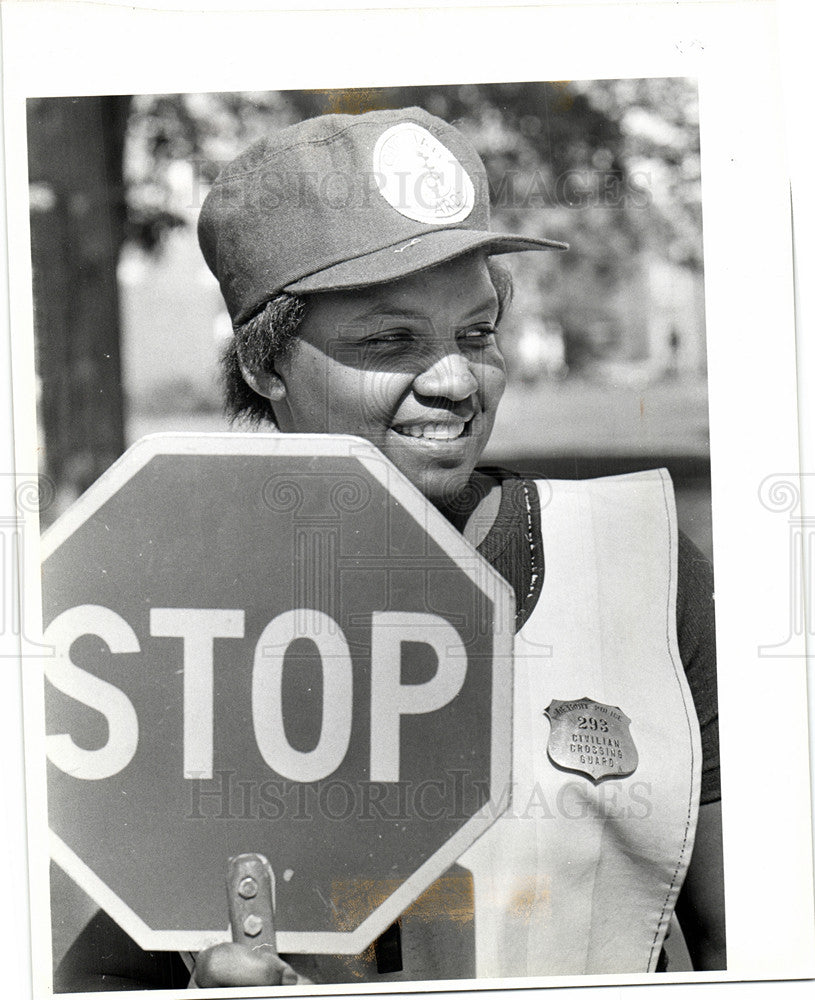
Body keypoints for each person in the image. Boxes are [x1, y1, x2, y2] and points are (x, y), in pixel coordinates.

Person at [53, 105, 725, 991]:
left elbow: (754, 935)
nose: (454, 381)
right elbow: (105, 965)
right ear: (265, 363)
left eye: (476, 332)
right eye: (390, 340)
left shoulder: (634, 560)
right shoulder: (177, 607)